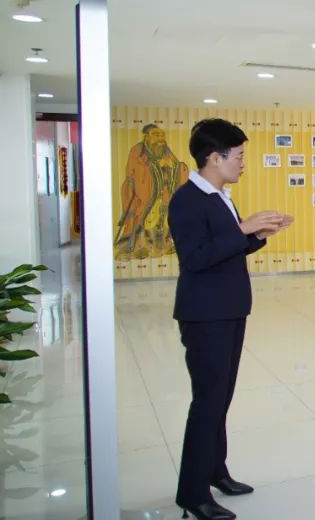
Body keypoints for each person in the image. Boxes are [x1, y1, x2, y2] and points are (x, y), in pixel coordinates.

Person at [169, 119, 293, 520]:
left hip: (229, 308)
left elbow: (226, 249)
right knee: (207, 402)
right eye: (238, 156)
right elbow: (195, 258)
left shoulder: (219, 195)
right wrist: (243, 228)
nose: (243, 163)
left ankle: (215, 471)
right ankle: (192, 494)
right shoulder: (187, 200)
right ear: (213, 158)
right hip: (205, 315)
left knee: (221, 398)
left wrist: (258, 235)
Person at [116, 123, 189, 259]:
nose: (160, 138)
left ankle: (163, 245)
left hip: (163, 192)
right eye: (156, 135)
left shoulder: (165, 150)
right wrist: (157, 165)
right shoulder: (137, 150)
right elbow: (134, 171)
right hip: (141, 191)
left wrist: (175, 166)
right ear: (147, 137)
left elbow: (175, 165)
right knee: (140, 218)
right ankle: (137, 247)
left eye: (161, 135)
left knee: (163, 219)